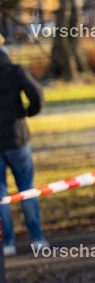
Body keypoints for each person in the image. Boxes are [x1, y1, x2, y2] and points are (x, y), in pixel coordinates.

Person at [0, 39, 48, 255]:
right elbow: (36, 94)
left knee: (0, 193)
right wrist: (29, 111)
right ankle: (36, 238)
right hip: (17, 137)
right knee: (26, 186)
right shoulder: (14, 71)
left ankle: (7, 243)